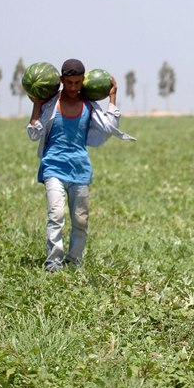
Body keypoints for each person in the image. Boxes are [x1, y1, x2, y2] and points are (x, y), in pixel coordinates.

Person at [27, 59, 135, 272]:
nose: (73, 87)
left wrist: (112, 97)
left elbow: (109, 127)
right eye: (69, 82)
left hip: (80, 170)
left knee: (80, 220)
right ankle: (53, 263)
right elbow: (33, 134)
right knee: (56, 215)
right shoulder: (51, 104)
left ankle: (74, 261)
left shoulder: (88, 105)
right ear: (61, 80)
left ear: (83, 81)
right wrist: (37, 104)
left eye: (77, 82)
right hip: (53, 167)